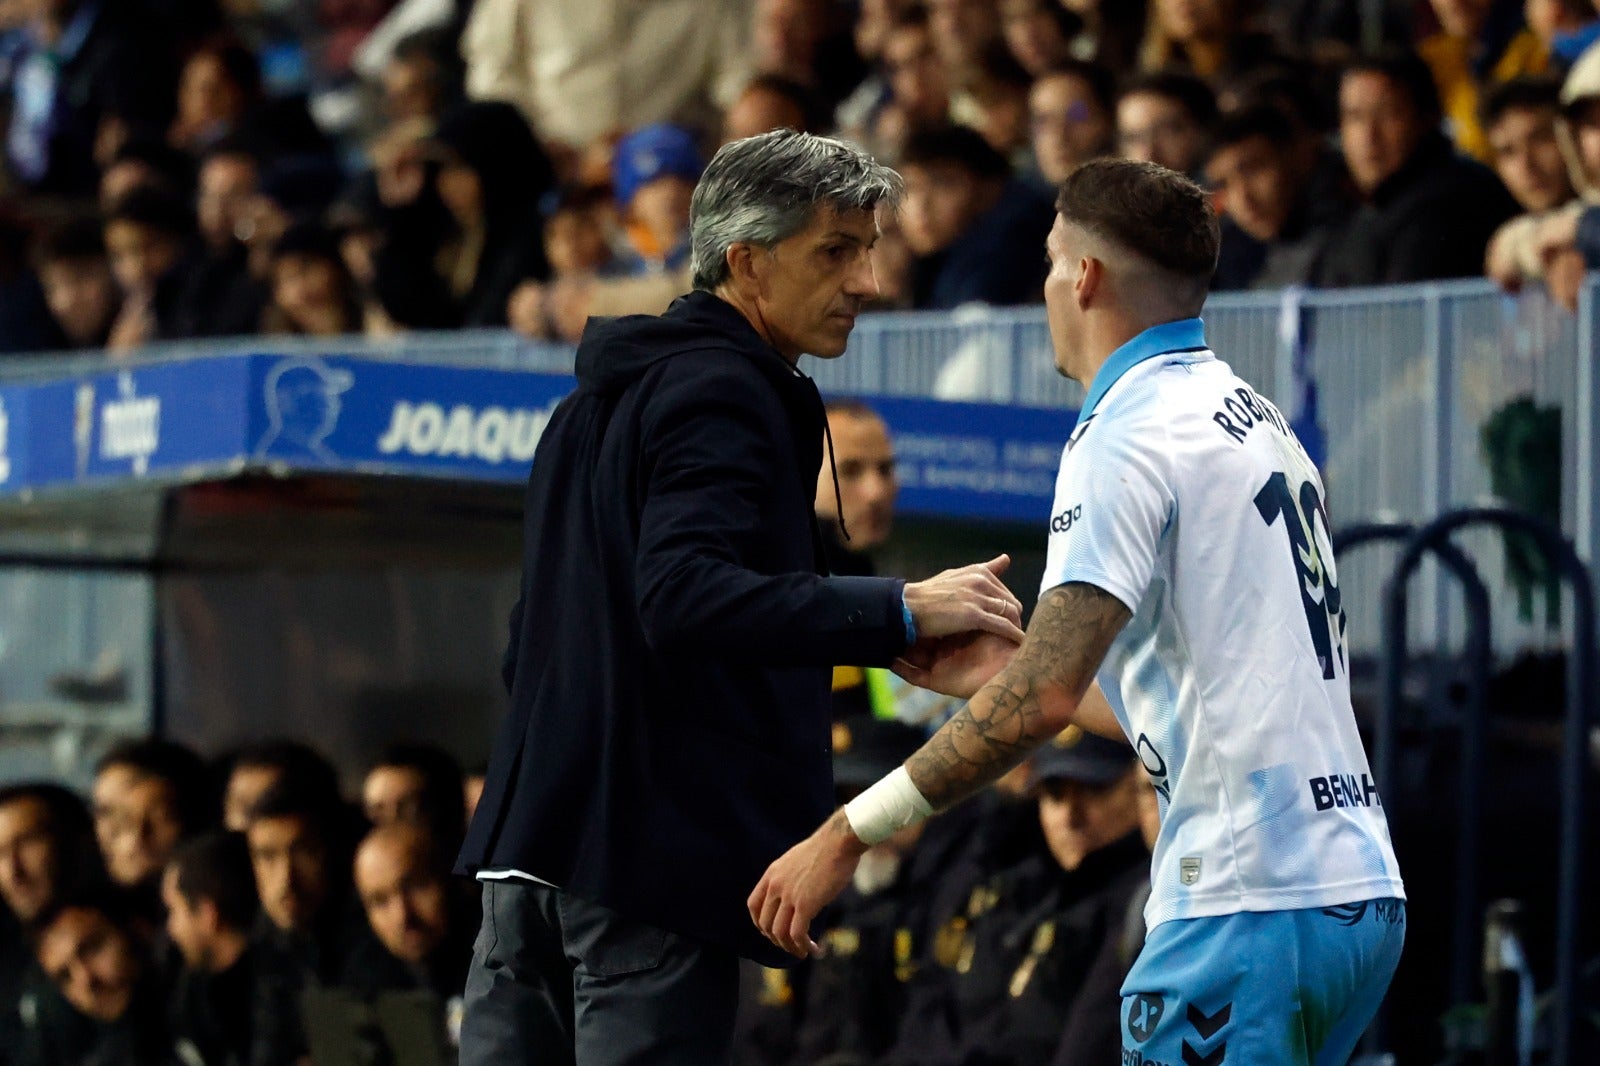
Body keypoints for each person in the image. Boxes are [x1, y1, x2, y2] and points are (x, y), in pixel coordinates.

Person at [752, 158, 1407, 1066]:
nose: (1046, 285)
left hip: (1240, 900)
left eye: (1052, 261)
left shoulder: (1128, 431)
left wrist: (846, 831)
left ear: (1086, 276)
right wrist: (1005, 668)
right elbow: (1190, 699)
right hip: (1354, 895)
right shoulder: (1257, 418)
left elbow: (1046, 703)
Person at [456, 128, 1026, 1065]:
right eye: (836, 252)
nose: (869, 283)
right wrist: (899, 612)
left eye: (872, 250)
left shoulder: (590, 405)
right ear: (747, 261)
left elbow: (533, 639)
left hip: (526, 855)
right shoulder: (725, 389)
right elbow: (682, 595)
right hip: (640, 866)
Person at [1314, 48, 1520, 287]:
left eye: (1388, 113)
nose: (1368, 136)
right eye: (1355, 116)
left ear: (1427, 117)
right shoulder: (1357, 212)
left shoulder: (1448, 202)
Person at [1205, 104, 1346, 290]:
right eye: (1223, 184)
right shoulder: (1224, 255)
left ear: (1294, 157)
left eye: (1252, 170)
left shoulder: (1346, 238)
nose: (1243, 198)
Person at [163, 832, 261, 1066]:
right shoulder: (190, 993)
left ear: (208, 915)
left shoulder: (276, 991)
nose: (170, 928)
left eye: (174, 910)